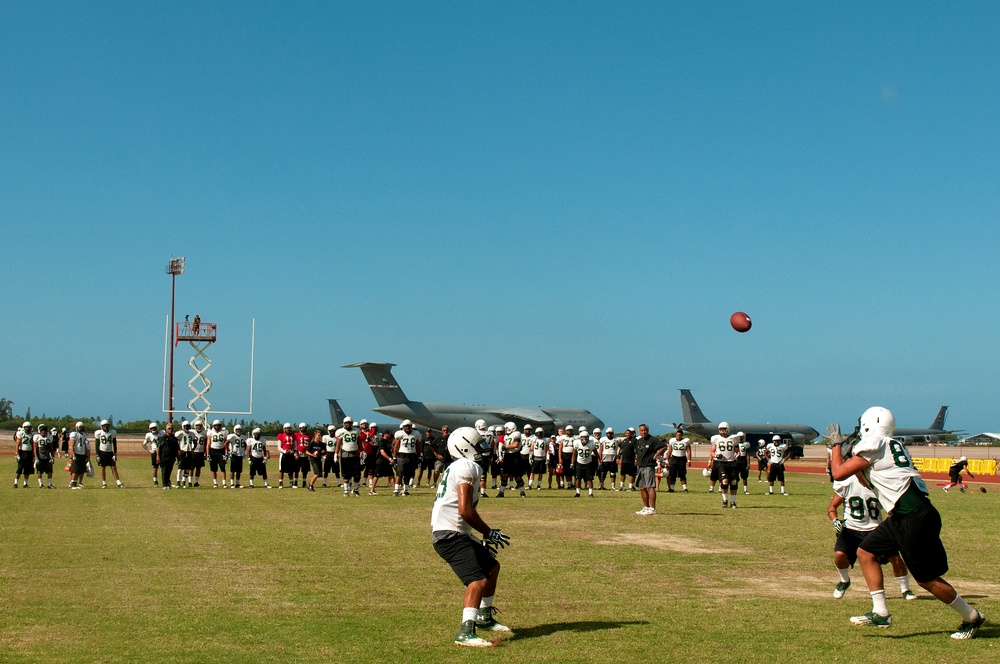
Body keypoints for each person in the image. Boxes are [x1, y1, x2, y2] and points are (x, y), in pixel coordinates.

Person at [829, 408, 986, 639]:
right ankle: (880, 611)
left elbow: (839, 473)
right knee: (865, 552)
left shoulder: (875, 442)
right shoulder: (892, 444)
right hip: (904, 515)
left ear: (868, 425)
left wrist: (835, 447)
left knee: (926, 580)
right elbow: (868, 481)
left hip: (912, 517)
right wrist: (851, 455)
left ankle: (972, 617)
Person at [431, 427, 512, 647]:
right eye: (478, 445)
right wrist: (488, 532)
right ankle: (466, 631)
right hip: (450, 535)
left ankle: (484, 617)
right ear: (465, 447)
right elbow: (465, 509)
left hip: (455, 531)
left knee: (492, 567)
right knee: (477, 580)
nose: (483, 448)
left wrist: (476, 536)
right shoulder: (467, 466)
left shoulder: (459, 466)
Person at [828, 473, 916, 601]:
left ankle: (905, 589)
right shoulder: (848, 482)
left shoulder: (878, 483)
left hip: (875, 530)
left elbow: (892, 508)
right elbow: (832, 507)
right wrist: (835, 520)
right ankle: (844, 580)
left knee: (895, 558)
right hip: (850, 529)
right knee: (840, 555)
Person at [634, 424, 667, 515]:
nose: (643, 432)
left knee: (650, 487)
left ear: (647, 430)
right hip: (641, 466)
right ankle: (646, 507)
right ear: (639, 431)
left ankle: (652, 508)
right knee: (641, 487)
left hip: (649, 465)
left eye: (645, 430)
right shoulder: (639, 441)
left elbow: (664, 446)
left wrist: (656, 455)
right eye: (641, 430)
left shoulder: (652, 440)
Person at [710, 422, 739, 508]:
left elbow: (737, 451)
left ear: (727, 429)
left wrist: (737, 455)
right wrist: (715, 455)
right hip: (721, 462)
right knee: (725, 481)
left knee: (734, 482)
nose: (722, 431)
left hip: (732, 462)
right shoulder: (716, 439)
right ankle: (725, 500)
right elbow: (712, 451)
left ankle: (733, 501)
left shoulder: (733, 439)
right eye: (721, 429)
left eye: (724, 429)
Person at [393, 420, 421, 496]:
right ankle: (396, 490)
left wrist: (419, 455)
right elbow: (396, 446)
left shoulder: (416, 434)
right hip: (402, 455)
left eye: (409, 426)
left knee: (408, 473)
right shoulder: (400, 434)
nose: (408, 427)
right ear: (403, 427)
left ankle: (405, 490)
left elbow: (418, 445)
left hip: (412, 455)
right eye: (406, 426)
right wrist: (394, 457)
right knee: (399, 473)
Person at [335, 417, 362, 497]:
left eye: (349, 423)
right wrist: (336, 454)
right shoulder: (341, 432)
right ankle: (346, 490)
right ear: (344, 423)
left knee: (357, 474)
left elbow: (359, 442)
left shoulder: (356, 431)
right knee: (346, 474)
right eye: (346, 423)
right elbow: (338, 444)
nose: (348, 424)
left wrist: (362, 451)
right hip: (345, 454)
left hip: (355, 454)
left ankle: (356, 490)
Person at [94, 419, 124, 488]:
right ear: (101, 426)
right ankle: (104, 483)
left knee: (113, 467)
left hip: (110, 452)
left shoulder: (112, 432)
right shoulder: (99, 433)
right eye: (104, 426)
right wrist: (97, 454)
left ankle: (118, 482)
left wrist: (115, 453)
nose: (106, 427)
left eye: (107, 425)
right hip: (102, 452)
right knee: (102, 467)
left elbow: (114, 443)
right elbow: (96, 444)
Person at [666, 429, 692, 493]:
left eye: (680, 435)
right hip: (674, 458)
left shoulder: (685, 441)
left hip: (682, 459)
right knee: (672, 474)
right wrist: (667, 459)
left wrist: (689, 460)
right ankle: (671, 488)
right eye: (677, 435)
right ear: (676, 435)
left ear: (682, 435)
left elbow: (688, 451)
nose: (678, 436)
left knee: (682, 474)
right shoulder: (672, 441)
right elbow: (670, 450)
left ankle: (685, 488)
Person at [573, 428, 597, 498]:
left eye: (586, 437)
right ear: (580, 437)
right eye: (583, 437)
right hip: (579, 463)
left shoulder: (591, 443)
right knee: (578, 478)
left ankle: (590, 493)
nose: (585, 439)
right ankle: (577, 492)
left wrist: (599, 460)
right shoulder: (577, 443)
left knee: (589, 478)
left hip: (588, 463)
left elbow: (596, 453)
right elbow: (574, 454)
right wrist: (572, 463)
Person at [207, 419, 229, 488]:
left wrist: (226, 453)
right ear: (213, 426)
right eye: (216, 425)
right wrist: (207, 454)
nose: (217, 426)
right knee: (213, 468)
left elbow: (226, 444)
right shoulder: (211, 432)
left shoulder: (224, 432)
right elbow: (208, 444)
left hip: (221, 451)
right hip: (213, 451)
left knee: (222, 467)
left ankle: (224, 483)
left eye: (218, 425)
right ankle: (215, 482)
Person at [32, 424, 56, 489]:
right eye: (43, 431)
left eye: (45, 431)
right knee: (39, 471)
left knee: (50, 471)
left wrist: (52, 457)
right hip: (40, 457)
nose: (44, 432)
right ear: (40, 431)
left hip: (47, 457)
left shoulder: (49, 437)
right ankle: (40, 484)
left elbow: (51, 448)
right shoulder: (37, 437)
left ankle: (49, 484)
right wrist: (36, 457)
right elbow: (35, 448)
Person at [68, 421, 91, 489]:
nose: (81, 428)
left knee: (80, 470)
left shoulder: (84, 435)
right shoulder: (74, 434)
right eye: (79, 427)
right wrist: (72, 455)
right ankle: (72, 484)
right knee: (75, 470)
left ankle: (75, 483)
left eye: (81, 427)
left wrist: (87, 455)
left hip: (82, 454)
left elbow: (86, 446)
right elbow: (71, 445)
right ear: (76, 427)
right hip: (77, 453)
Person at [157, 423, 179, 489]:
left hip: (172, 457)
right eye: (169, 429)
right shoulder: (163, 438)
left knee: (169, 470)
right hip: (164, 457)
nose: (170, 430)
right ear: (166, 429)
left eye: (171, 429)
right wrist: (158, 456)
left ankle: (168, 483)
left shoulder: (174, 438)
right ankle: (164, 484)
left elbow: (177, 448)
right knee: (164, 470)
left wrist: (178, 457)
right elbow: (158, 448)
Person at [13, 422, 34, 488]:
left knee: (27, 469)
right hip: (22, 452)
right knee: (19, 469)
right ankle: (16, 483)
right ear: (24, 427)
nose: (28, 428)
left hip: (29, 453)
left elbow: (33, 445)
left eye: (29, 427)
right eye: (26, 427)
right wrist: (17, 454)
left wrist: (33, 455)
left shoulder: (32, 434)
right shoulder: (20, 433)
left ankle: (25, 483)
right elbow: (17, 444)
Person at [142, 422, 164, 487]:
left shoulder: (162, 433)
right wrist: (149, 451)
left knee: (163, 467)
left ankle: (165, 480)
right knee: (155, 467)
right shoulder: (149, 435)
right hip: (154, 452)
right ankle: (155, 481)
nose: (153, 430)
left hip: (162, 452)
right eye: (152, 428)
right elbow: (144, 444)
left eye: (154, 428)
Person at [277, 423, 296, 489]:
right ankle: (280, 483)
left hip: (291, 454)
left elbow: (295, 445)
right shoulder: (281, 435)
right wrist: (285, 451)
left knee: (291, 470)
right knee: (281, 470)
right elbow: (279, 447)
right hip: (284, 454)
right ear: (284, 429)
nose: (288, 430)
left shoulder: (293, 436)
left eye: (289, 428)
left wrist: (293, 451)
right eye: (287, 428)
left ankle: (291, 483)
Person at [618, 427, 637, 491]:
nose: (628, 434)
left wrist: (636, 458)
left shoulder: (634, 440)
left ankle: (630, 487)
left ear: (631, 433)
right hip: (624, 460)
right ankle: (622, 486)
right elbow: (621, 449)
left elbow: (636, 450)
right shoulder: (624, 440)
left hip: (631, 460)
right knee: (622, 473)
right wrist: (618, 457)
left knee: (631, 474)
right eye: (627, 433)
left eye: (629, 433)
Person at [177, 420, 195, 488]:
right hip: (183, 452)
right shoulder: (180, 433)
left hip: (189, 452)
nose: (187, 428)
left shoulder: (192, 434)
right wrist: (179, 449)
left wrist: (193, 449)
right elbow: (176, 441)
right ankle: (178, 481)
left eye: (188, 427)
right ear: (183, 427)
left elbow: (195, 442)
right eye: (186, 427)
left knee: (187, 468)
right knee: (180, 468)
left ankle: (184, 481)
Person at [190, 419, 207, 487]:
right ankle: (190, 482)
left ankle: (196, 482)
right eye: (197, 425)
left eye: (200, 425)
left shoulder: (204, 432)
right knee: (191, 468)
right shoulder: (192, 432)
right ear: (195, 426)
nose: (198, 427)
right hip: (193, 452)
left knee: (198, 468)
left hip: (200, 452)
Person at [557, 425, 575, 490]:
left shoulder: (574, 438)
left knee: (572, 470)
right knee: (566, 470)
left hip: (572, 455)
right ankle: (568, 484)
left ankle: (570, 484)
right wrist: (560, 458)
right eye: (568, 430)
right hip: (565, 455)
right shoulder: (563, 438)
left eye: (570, 430)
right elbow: (560, 448)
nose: (569, 432)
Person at [295, 422, 311, 488]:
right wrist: (296, 453)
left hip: (306, 454)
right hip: (299, 453)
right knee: (296, 470)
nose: (303, 429)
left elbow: (310, 445)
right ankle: (295, 482)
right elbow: (295, 445)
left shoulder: (309, 435)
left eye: (304, 428)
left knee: (305, 470)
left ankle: (304, 482)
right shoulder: (296, 435)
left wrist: (309, 454)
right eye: (302, 428)